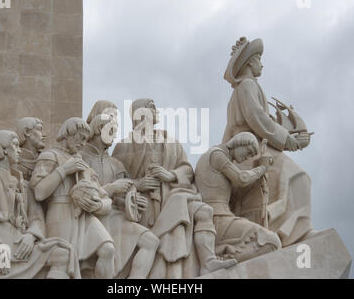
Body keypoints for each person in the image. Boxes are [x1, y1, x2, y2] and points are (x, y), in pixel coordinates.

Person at [113, 98, 236, 278]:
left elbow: (186, 169)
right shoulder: (124, 146)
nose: (155, 113)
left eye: (154, 110)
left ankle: (208, 262)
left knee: (204, 211)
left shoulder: (170, 142)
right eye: (150, 109)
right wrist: (137, 186)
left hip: (173, 196)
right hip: (144, 206)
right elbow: (116, 184)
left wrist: (170, 175)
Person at [221, 36, 315, 246]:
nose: (261, 63)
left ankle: (289, 230)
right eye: (258, 59)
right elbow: (258, 119)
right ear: (249, 63)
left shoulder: (246, 87)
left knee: (297, 178)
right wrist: (290, 141)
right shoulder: (246, 85)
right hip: (252, 149)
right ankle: (289, 233)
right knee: (298, 177)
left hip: (254, 147)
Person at [0, 130, 80, 279]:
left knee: (64, 255)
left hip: (21, 244)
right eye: (15, 146)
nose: (19, 150)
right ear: (2, 150)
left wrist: (31, 235)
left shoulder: (24, 185)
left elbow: (37, 218)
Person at [30, 118, 116, 279]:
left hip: (85, 215)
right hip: (60, 214)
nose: (83, 143)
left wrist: (97, 205)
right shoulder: (50, 156)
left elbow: (104, 197)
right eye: (80, 138)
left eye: (86, 139)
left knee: (108, 249)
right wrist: (64, 170)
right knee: (65, 262)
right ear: (68, 134)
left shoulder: (81, 162)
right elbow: (39, 192)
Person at [82, 109, 160, 278]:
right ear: (98, 129)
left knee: (150, 241)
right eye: (111, 131)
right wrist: (112, 188)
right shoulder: (80, 157)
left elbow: (126, 193)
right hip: (89, 217)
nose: (114, 136)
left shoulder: (116, 164)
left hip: (114, 216)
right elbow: (80, 192)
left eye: (115, 132)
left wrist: (134, 200)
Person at [195, 132, 282, 262]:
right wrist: (263, 167)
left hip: (220, 218)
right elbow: (242, 178)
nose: (247, 158)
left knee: (271, 241)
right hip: (218, 219)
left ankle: (223, 261)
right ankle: (224, 262)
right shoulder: (217, 155)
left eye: (251, 156)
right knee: (272, 241)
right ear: (239, 142)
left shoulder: (215, 156)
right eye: (248, 152)